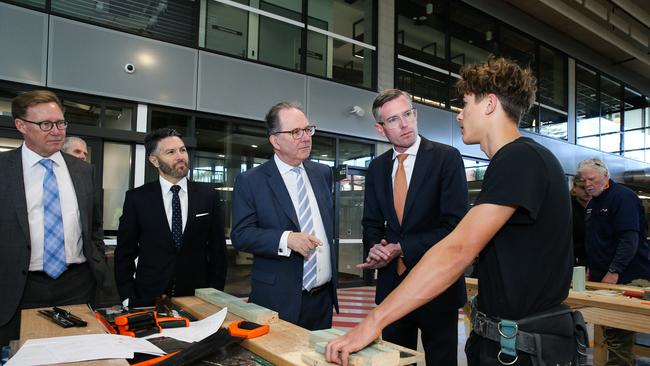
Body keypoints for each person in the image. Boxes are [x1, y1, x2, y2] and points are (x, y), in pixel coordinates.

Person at [326, 57, 576, 366]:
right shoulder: (517, 160)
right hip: (507, 338)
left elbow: (457, 248)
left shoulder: (519, 159)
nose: (459, 116)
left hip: (521, 346)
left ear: (489, 105)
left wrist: (370, 323)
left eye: (465, 104)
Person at [358, 89, 468, 365]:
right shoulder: (377, 168)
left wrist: (402, 248)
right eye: (393, 120)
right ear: (380, 129)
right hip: (392, 287)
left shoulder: (447, 158)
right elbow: (371, 224)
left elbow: (455, 225)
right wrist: (377, 249)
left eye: (407, 114)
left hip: (438, 284)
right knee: (397, 361)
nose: (404, 124)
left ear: (416, 115)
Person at [0, 90, 109, 346]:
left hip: (78, 285)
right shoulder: (4, 169)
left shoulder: (83, 171)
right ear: (21, 126)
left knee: (80, 356)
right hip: (19, 288)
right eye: (46, 124)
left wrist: (98, 267)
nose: (57, 131)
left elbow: (94, 228)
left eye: (60, 123)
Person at [231, 101, 338, 330]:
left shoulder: (323, 173)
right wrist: (286, 239)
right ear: (275, 141)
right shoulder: (251, 181)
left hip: (322, 301)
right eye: (296, 132)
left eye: (308, 130)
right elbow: (241, 235)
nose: (306, 137)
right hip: (277, 301)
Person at [114, 128, 227, 307]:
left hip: (198, 298)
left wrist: (216, 294)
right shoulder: (137, 198)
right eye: (171, 152)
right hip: (147, 296)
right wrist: (127, 296)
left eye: (182, 150)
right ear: (154, 160)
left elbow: (218, 251)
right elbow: (124, 252)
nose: (180, 156)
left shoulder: (208, 196)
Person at [578, 158, 650, 365]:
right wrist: (592, 269)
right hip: (604, 276)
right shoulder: (593, 203)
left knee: (618, 336)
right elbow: (595, 241)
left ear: (605, 175)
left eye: (591, 178)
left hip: (628, 276)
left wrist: (614, 271)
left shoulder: (623, 197)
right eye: (584, 180)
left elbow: (629, 240)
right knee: (609, 332)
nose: (588, 184)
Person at [571, 174, 591, 266]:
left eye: (589, 187)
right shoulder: (567, 207)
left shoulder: (597, 206)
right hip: (573, 259)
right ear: (574, 187)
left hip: (592, 258)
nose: (587, 191)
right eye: (583, 188)